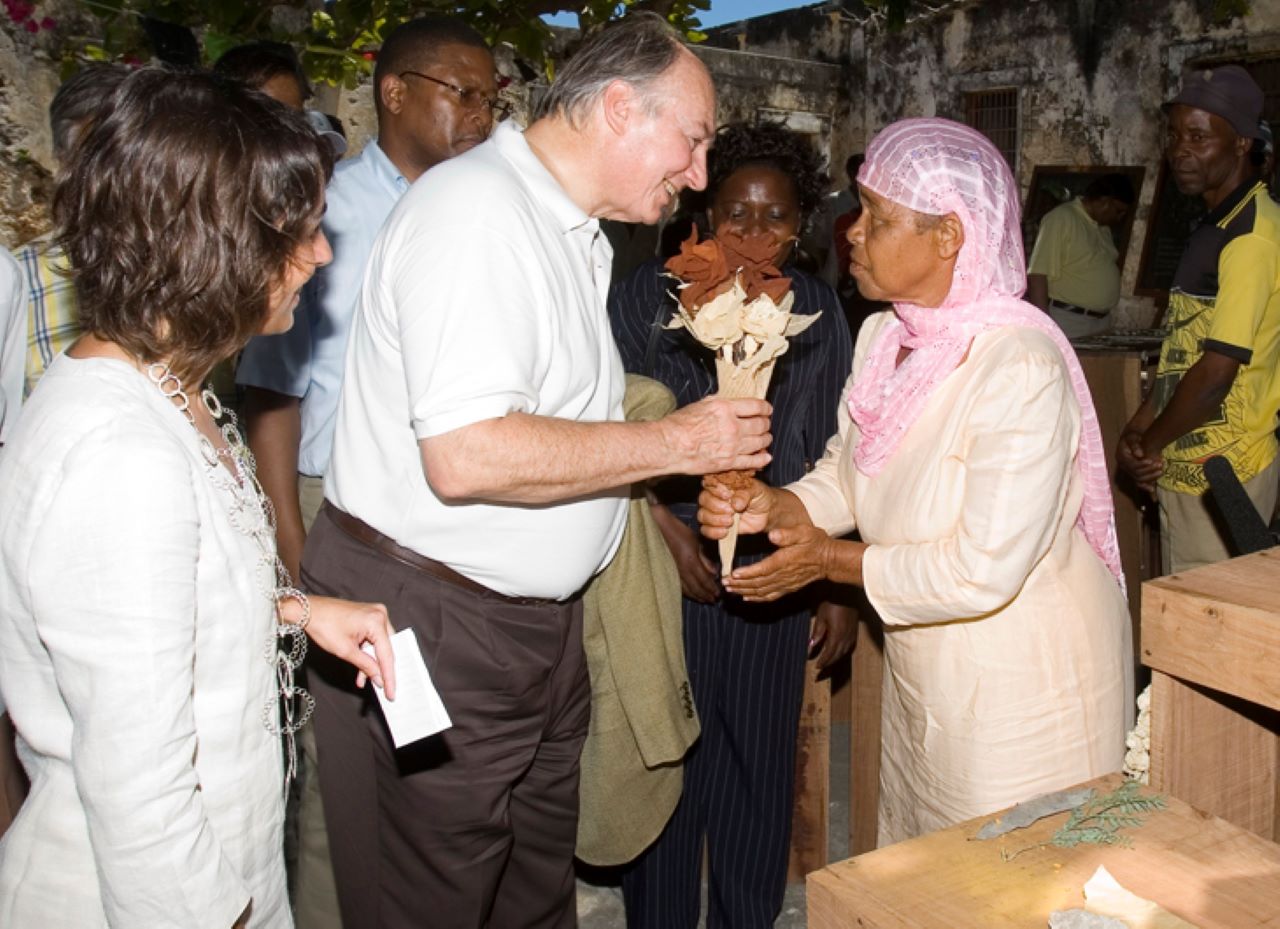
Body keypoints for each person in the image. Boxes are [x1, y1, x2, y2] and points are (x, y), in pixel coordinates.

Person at [300, 13, 772, 928]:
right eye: (694, 140)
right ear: (621, 109)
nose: (700, 174)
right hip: (433, 620)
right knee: (429, 895)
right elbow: (469, 453)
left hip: (522, 629)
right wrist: (680, 444)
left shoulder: (570, 228)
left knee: (526, 889)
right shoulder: (476, 213)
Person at [0, 66, 396, 927]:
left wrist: (292, 610)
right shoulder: (119, 454)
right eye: (300, 231)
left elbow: (159, 603)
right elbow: (141, 799)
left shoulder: (163, 386)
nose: (322, 254)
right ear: (214, 243)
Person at [699, 117, 1132, 846]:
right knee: (933, 865)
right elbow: (852, 465)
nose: (852, 233)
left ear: (948, 237)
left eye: (877, 217)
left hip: (1023, 682)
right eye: (859, 210)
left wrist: (828, 561)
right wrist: (778, 504)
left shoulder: (1016, 364)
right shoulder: (887, 334)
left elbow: (981, 568)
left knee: (1010, 878)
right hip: (934, 663)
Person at [234, 15, 498, 928]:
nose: (480, 115)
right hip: (335, 509)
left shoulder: (484, 209)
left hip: (443, 515)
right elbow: (271, 391)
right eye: (460, 92)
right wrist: (292, 535)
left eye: (492, 98)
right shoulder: (329, 212)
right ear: (394, 91)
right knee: (336, 767)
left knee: (432, 752)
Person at [608, 121, 855, 928]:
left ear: (801, 226)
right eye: (735, 215)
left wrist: (833, 580)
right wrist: (658, 524)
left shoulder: (817, 309)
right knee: (669, 758)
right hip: (664, 557)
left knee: (757, 762)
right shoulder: (647, 294)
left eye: (775, 218)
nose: (753, 235)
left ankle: (746, 917)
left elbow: (835, 454)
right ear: (704, 211)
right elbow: (608, 428)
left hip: (773, 570)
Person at [1117, 65, 1280, 573]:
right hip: (1185, 464)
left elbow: (1214, 375)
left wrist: (1149, 444)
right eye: (1175, 135)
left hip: (1225, 473)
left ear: (1240, 144)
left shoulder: (1251, 236)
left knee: (1213, 634)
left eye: (1199, 137)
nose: (1180, 149)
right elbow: (1182, 350)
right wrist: (1138, 431)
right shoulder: (1214, 224)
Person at [1025, 173, 1136, 339]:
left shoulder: (1103, 228)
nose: (1120, 218)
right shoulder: (1061, 218)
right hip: (1070, 321)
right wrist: (1045, 328)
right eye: (1118, 211)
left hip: (1100, 321)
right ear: (1104, 201)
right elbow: (1038, 274)